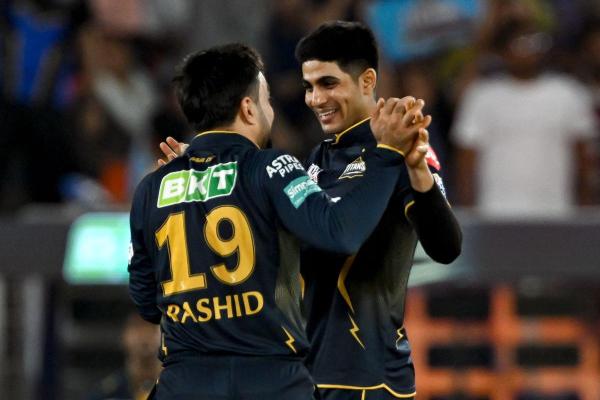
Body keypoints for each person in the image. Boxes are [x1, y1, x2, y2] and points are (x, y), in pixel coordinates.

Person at [159, 22, 462, 400]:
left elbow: (447, 248)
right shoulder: (317, 159)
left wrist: (417, 170)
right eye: (308, 86)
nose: (315, 99)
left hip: (368, 380)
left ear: (367, 81)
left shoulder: (398, 149)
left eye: (328, 83)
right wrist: (202, 181)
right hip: (303, 375)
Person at [452, 19, 598, 215]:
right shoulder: (481, 96)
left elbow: (583, 160)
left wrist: (584, 212)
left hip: (557, 214)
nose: (528, 49)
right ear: (502, 51)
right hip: (496, 215)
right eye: (520, 42)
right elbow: (465, 164)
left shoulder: (569, 93)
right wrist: (467, 216)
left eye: (535, 41)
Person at [86, 313, 161, 400]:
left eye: (152, 328)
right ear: (124, 337)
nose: (144, 336)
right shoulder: (106, 393)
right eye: (137, 328)